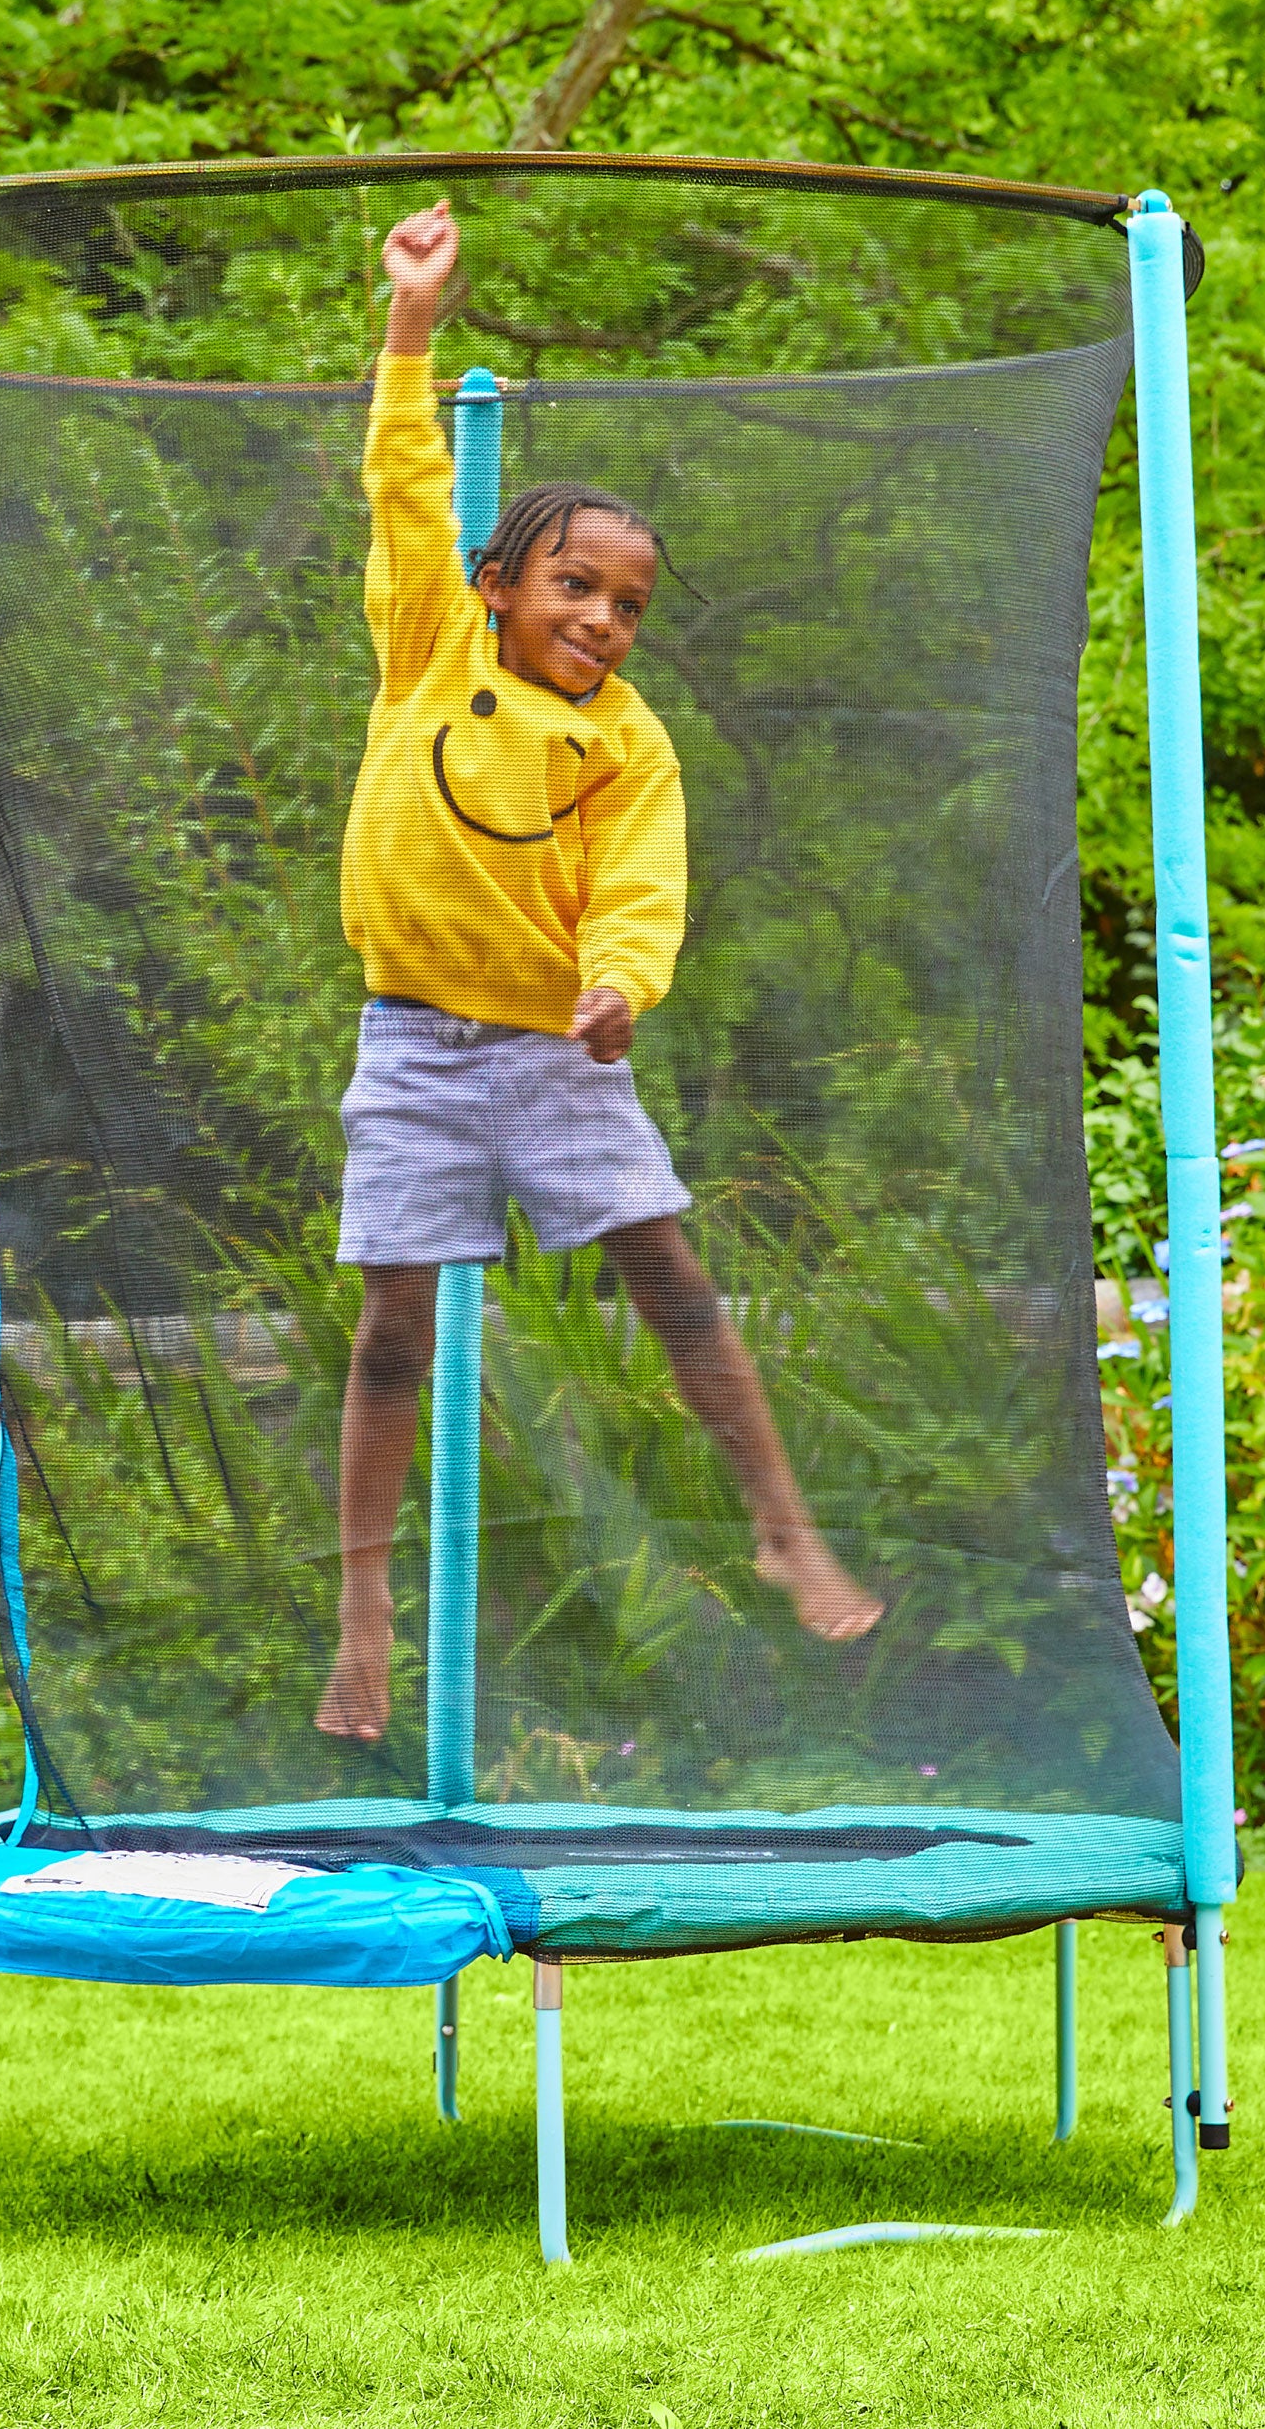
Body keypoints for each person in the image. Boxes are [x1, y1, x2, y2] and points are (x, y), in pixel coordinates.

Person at [317, 199, 881, 1745]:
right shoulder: (434, 642)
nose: (603, 621)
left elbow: (643, 890)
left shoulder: (630, 747)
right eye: (577, 587)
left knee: (671, 1277)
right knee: (393, 1326)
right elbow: (402, 486)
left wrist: (622, 986)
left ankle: (780, 1529)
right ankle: (364, 1610)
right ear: (501, 584)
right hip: (418, 1046)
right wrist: (413, 329)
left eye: (629, 606)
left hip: (561, 1054)